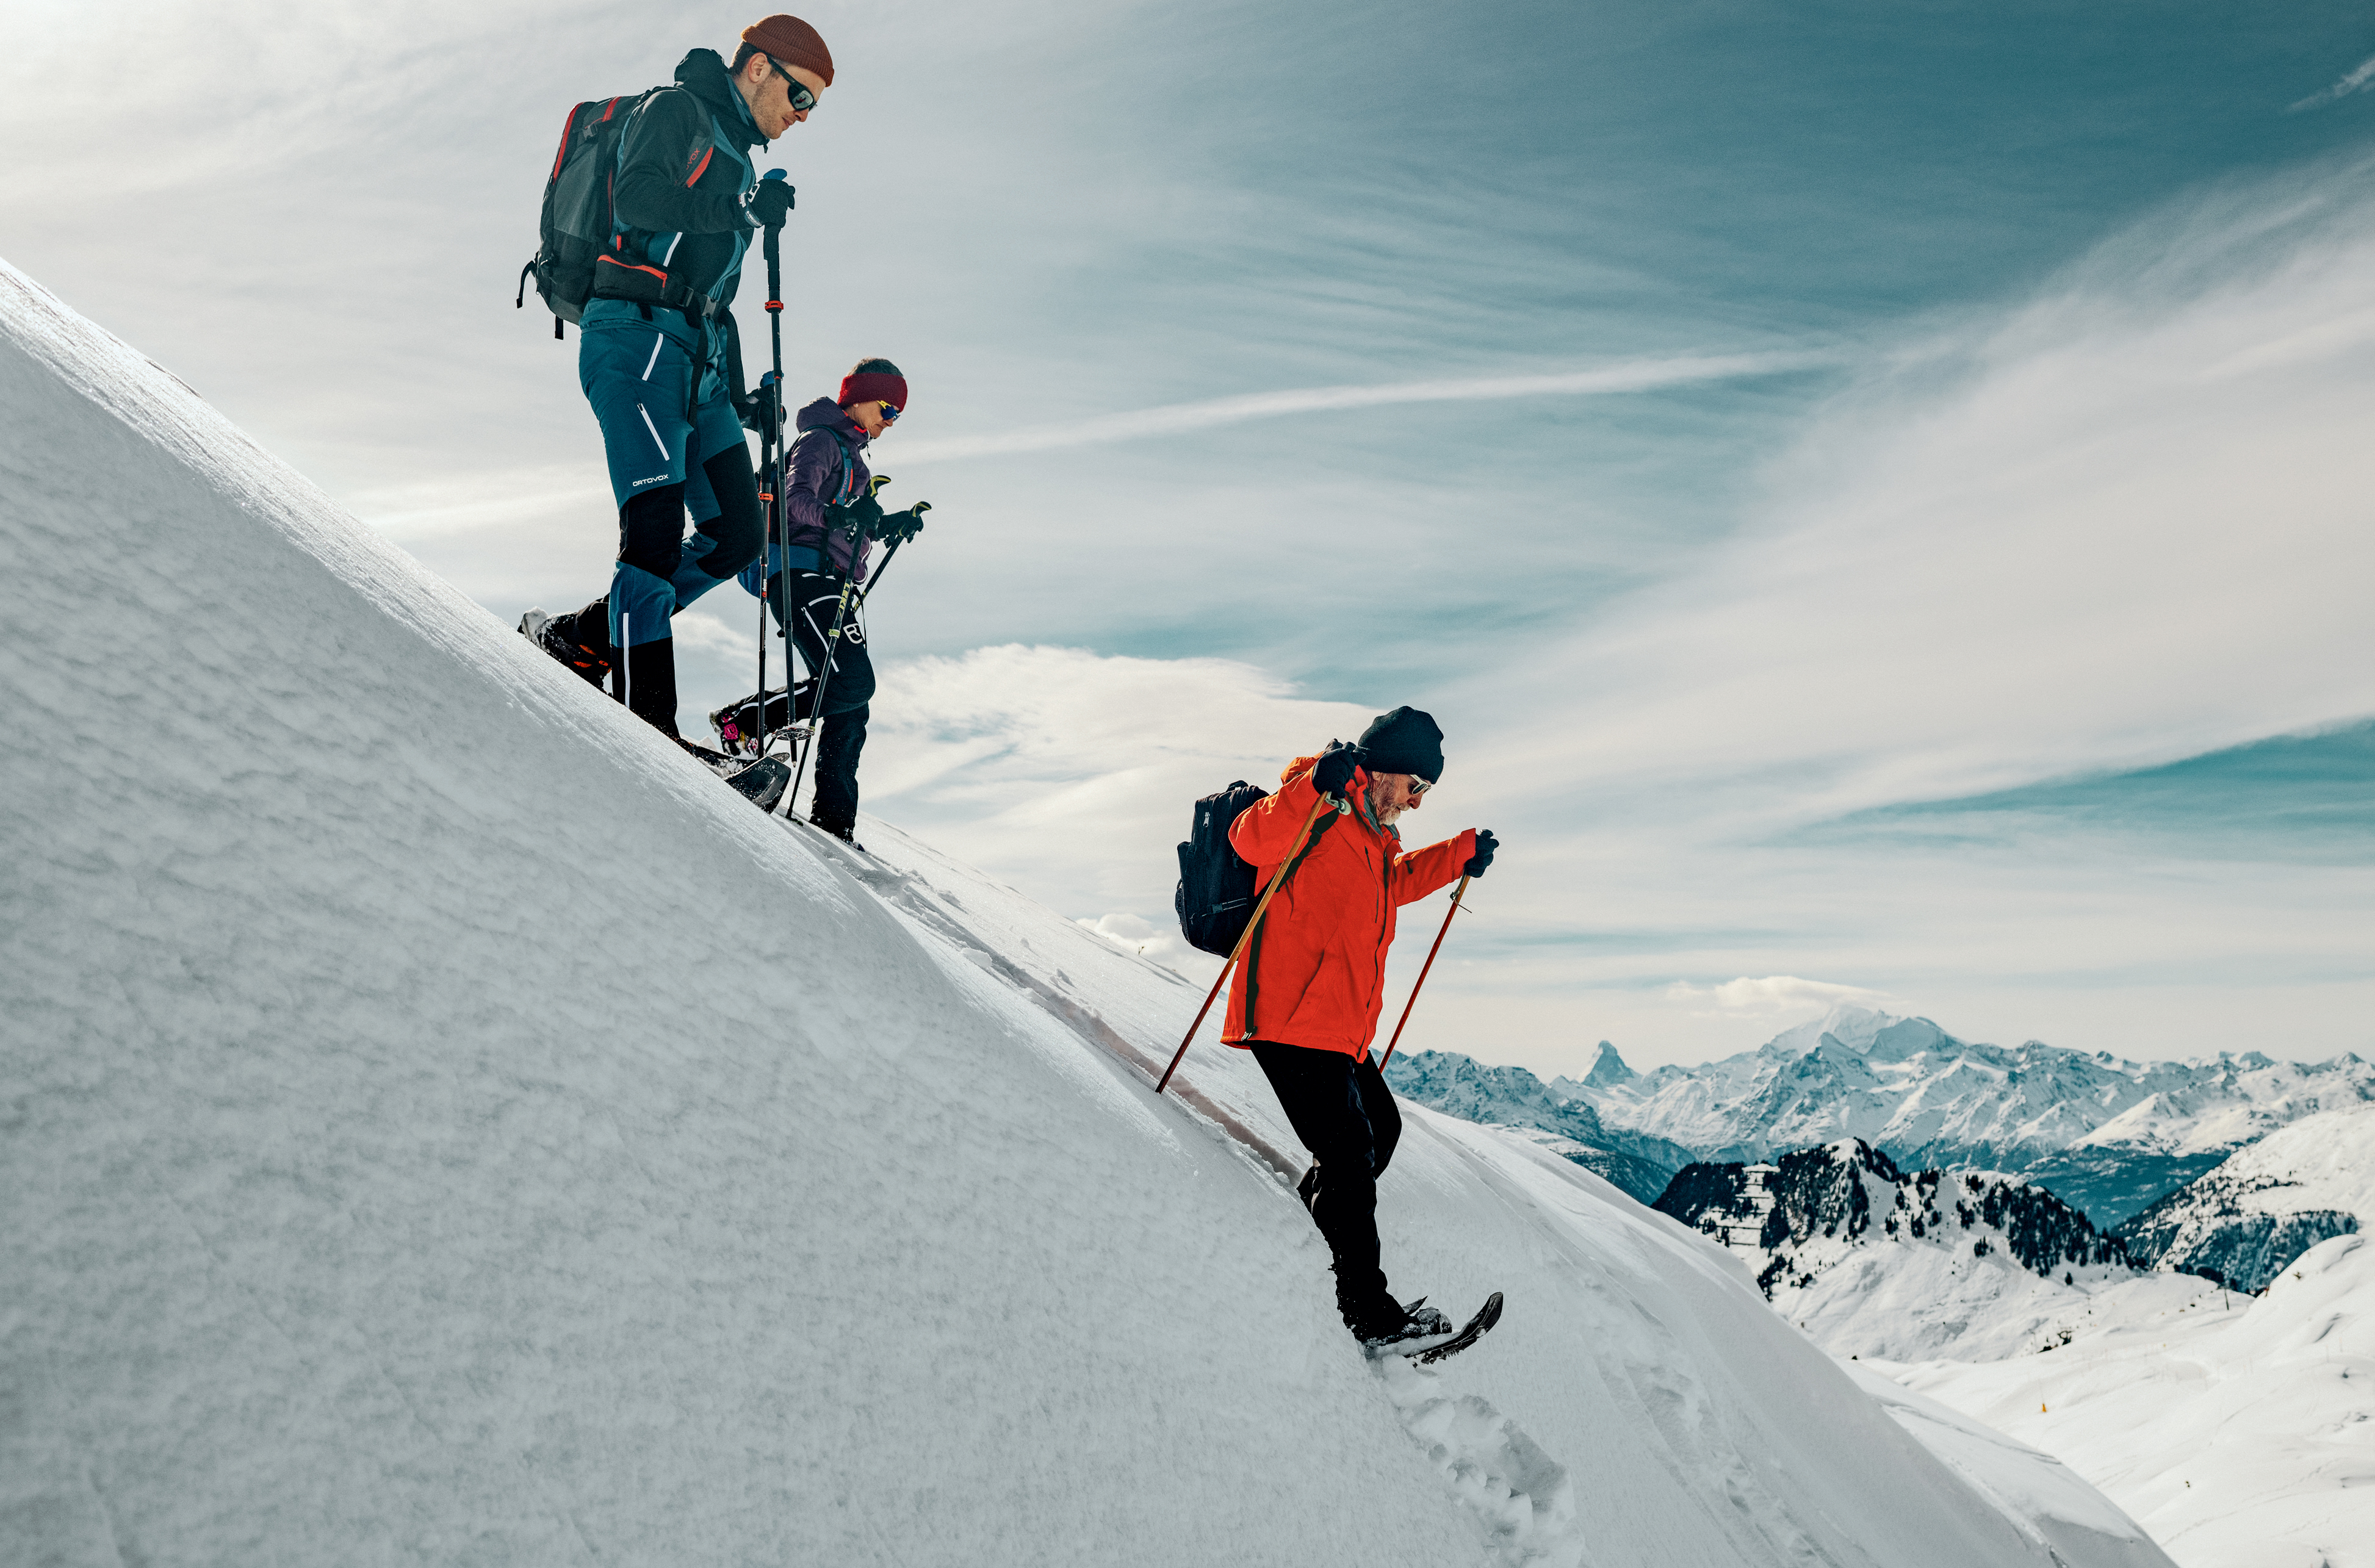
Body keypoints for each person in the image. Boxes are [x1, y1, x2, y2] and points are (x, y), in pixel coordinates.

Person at [519, 15, 834, 737]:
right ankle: (648, 732)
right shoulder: (677, 111)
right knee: (654, 537)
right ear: (757, 68)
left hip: (696, 360)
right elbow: (637, 199)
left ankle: (584, 638)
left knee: (736, 535)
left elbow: (713, 297)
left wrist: (746, 395)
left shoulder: (740, 160)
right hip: (632, 339)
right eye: (801, 95)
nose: (800, 115)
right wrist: (737, 208)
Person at [1223, 706, 1500, 1350]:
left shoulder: (1376, 838)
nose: (1418, 802)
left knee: (1381, 1131)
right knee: (1349, 1154)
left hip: (1336, 1025)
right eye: (1416, 787)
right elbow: (1249, 839)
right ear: (1384, 772)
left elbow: (1393, 886)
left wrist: (1458, 854)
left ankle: (1314, 1232)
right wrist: (1314, 782)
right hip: (1288, 1015)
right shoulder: (1317, 803)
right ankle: (1368, 1313)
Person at [711, 357, 927, 844]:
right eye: (887, 408)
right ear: (859, 396)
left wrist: (886, 525)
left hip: (833, 581)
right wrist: (838, 516)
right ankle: (741, 722)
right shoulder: (821, 441)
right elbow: (794, 500)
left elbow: (848, 520)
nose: (890, 421)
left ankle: (836, 822)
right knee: (852, 682)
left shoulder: (857, 458)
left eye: (898, 415)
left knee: (852, 702)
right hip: (802, 575)